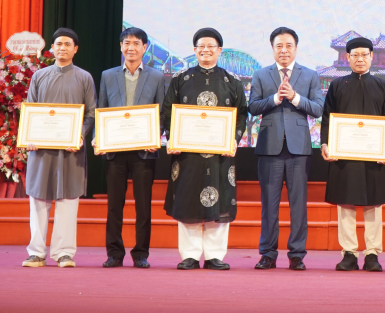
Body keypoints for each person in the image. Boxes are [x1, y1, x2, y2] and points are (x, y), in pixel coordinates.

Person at [161, 28, 248, 270]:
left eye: (211, 46)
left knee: (219, 200)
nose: (206, 50)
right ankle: (189, 255)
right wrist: (172, 138)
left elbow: (241, 114)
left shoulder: (232, 81)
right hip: (187, 154)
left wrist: (234, 140)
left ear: (220, 50)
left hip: (220, 154)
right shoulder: (181, 79)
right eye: (201, 46)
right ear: (194, 50)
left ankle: (214, 255)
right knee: (188, 199)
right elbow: (168, 111)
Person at [248, 27, 324, 271]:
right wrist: (275, 99)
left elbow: (318, 108)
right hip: (269, 148)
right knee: (269, 205)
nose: (284, 50)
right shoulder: (261, 74)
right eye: (279, 46)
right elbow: (253, 107)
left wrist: (294, 97)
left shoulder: (310, 75)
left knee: (298, 205)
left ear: (296, 48)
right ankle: (268, 254)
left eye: (288, 45)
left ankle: (297, 255)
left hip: (298, 150)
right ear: (272, 48)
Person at [22, 28, 96, 268]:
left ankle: (64, 253)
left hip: (70, 151)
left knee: (67, 201)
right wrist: (29, 137)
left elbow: (91, 113)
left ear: (76, 49)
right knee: (38, 200)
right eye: (58, 44)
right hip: (40, 149)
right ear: (51, 48)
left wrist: (79, 136)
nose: (62, 48)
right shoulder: (39, 76)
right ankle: (36, 252)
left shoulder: (84, 77)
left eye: (68, 44)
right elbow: (30, 111)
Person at [320, 36, 385, 272]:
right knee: (346, 204)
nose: (360, 59)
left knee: (374, 203)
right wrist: (325, 144)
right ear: (348, 57)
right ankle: (349, 253)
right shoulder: (337, 85)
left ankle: (372, 253)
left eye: (364, 54)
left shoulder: (382, 86)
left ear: (372, 56)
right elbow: (327, 118)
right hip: (344, 155)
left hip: (374, 155)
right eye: (355, 55)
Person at [93, 27, 166, 269]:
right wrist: (98, 138)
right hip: (115, 151)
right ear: (120, 47)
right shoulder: (108, 75)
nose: (131, 47)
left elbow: (161, 113)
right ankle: (114, 253)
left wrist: (155, 136)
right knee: (115, 206)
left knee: (143, 207)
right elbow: (101, 110)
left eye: (136, 43)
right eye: (126, 43)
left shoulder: (156, 77)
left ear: (145, 47)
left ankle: (141, 254)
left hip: (144, 152)